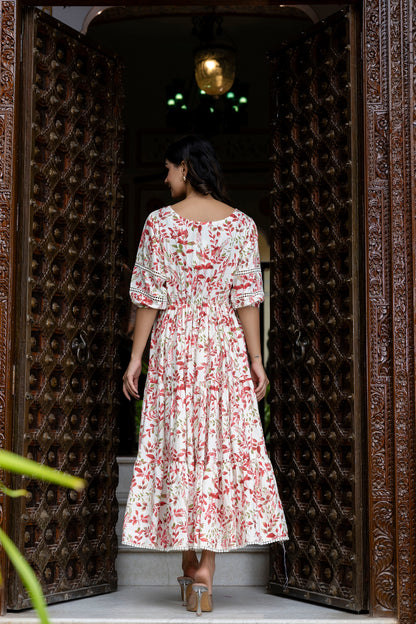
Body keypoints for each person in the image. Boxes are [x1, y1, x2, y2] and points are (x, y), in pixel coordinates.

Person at [122, 135, 288, 615]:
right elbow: (247, 300)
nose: (165, 177)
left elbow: (149, 297)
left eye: (169, 169)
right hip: (223, 345)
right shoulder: (241, 226)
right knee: (215, 449)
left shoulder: (159, 223)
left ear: (186, 170)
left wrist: (137, 357)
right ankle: (205, 571)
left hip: (175, 344)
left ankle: (188, 559)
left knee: (179, 446)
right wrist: (257, 360)